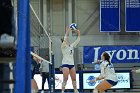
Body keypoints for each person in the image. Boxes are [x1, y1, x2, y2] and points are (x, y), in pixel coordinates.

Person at [61, 26, 80, 93]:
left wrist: (78, 33)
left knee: (74, 78)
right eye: (66, 40)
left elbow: (77, 40)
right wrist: (67, 31)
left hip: (72, 64)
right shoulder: (63, 46)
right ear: (64, 41)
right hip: (65, 64)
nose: (67, 40)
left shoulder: (71, 46)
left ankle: (75, 89)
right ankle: (63, 90)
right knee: (65, 78)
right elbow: (65, 37)